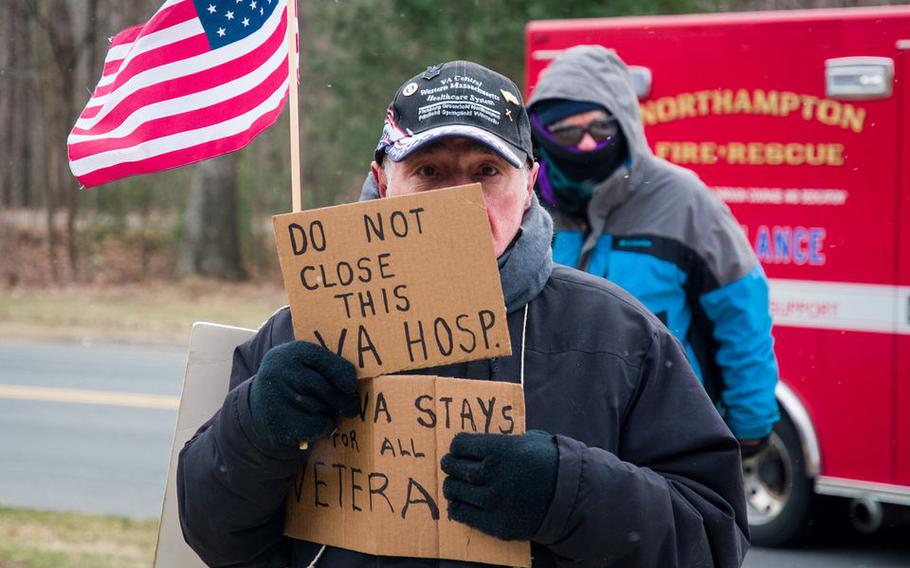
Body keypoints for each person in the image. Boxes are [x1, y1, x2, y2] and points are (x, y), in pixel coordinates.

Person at [178, 60, 749, 567]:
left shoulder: (619, 337)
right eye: (428, 171)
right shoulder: (302, 329)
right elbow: (214, 536)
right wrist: (255, 429)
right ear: (384, 181)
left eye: (486, 172)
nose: (460, 201)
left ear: (528, 184)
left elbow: (714, 539)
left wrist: (567, 492)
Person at [528, 46, 780, 456]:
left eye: (602, 129)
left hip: (665, 432)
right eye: (569, 134)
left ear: (625, 124)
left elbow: (742, 311)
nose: (589, 146)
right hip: (553, 436)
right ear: (542, 133)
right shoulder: (522, 203)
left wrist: (750, 423)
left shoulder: (685, 200)